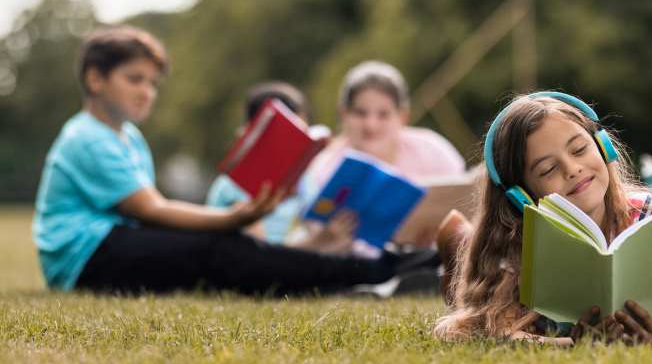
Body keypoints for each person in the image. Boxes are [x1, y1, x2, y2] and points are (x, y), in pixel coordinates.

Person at [32, 26, 419, 296]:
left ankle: (387, 267)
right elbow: (152, 210)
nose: (147, 92)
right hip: (85, 261)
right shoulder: (86, 137)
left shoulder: (126, 136)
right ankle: (374, 273)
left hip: (109, 247)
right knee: (220, 252)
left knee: (224, 253)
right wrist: (232, 219)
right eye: (135, 79)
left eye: (152, 83)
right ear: (96, 79)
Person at [434, 92, 652, 344]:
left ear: (603, 146)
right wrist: (574, 343)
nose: (572, 169)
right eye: (548, 169)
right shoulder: (513, 241)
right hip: (499, 260)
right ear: (522, 195)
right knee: (470, 275)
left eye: (579, 149)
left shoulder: (643, 212)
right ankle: (457, 241)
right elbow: (505, 333)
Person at [301, 60, 465, 249]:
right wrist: (330, 239)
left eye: (383, 114)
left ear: (403, 117)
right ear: (343, 114)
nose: (371, 125)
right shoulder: (323, 169)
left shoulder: (433, 150)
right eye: (360, 113)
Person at [204, 81, 355, 253]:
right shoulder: (235, 186)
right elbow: (260, 254)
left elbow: (317, 221)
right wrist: (317, 242)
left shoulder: (302, 182)